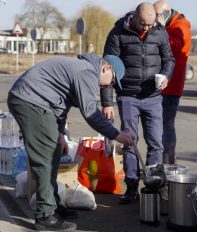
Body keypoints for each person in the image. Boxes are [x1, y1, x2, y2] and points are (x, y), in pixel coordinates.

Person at [8, 54, 134, 231]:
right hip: (30, 101)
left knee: (54, 153)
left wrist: (60, 133)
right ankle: (45, 216)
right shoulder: (87, 72)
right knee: (46, 158)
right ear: (106, 69)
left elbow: (61, 104)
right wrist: (116, 135)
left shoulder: (82, 69)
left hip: (36, 102)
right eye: (112, 81)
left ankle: (53, 206)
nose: (108, 86)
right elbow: (90, 112)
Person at [102, 2, 175, 204]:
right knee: (130, 142)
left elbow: (169, 59)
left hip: (153, 97)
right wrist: (107, 102)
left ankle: (154, 186)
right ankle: (132, 187)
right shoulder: (117, 33)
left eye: (151, 24)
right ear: (134, 17)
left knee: (156, 144)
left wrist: (166, 76)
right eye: (144, 24)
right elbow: (107, 68)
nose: (147, 28)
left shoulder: (160, 32)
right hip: (127, 96)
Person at [154, 0, 192, 164]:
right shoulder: (171, 26)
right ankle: (161, 162)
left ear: (165, 14)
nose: (154, 19)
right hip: (163, 84)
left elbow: (171, 47)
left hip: (171, 86)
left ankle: (168, 163)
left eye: (157, 15)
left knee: (167, 126)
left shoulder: (181, 27)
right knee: (159, 126)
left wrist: (160, 31)